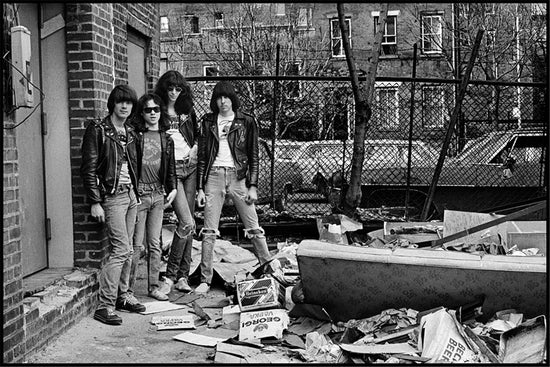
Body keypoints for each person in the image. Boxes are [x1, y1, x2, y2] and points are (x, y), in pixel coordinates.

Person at [195, 81, 278, 293]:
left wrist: (253, 186)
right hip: (213, 176)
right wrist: (200, 188)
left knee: (253, 226)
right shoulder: (207, 121)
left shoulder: (246, 121)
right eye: (218, 98)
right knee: (209, 231)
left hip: (238, 177)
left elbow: (254, 156)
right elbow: (203, 156)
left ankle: (269, 269)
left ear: (233, 99)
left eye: (226, 97)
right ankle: (205, 279)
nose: (222, 102)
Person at [80, 84, 146, 325]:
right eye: (120, 102)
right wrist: (95, 201)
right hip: (112, 196)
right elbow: (88, 168)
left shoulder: (130, 132)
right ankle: (104, 305)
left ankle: (123, 295)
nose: (125, 106)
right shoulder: (98, 130)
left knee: (128, 249)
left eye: (129, 102)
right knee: (121, 249)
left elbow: (134, 167)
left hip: (130, 196)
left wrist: (136, 194)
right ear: (113, 104)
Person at [154, 71, 199, 295]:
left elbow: (198, 136)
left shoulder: (187, 111)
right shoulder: (157, 111)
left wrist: (195, 149)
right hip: (172, 171)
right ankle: (170, 277)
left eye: (178, 89)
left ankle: (183, 276)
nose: (173, 92)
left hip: (190, 167)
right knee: (187, 221)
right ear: (164, 89)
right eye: (170, 88)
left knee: (188, 224)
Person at [128, 93, 177, 301]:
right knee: (136, 245)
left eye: (156, 109)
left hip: (158, 194)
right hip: (140, 194)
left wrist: (173, 188)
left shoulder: (166, 138)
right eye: (148, 110)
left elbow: (171, 168)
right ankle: (127, 291)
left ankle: (153, 287)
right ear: (142, 113)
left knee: (154, 244)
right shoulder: (136, 137)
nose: (153, 113)